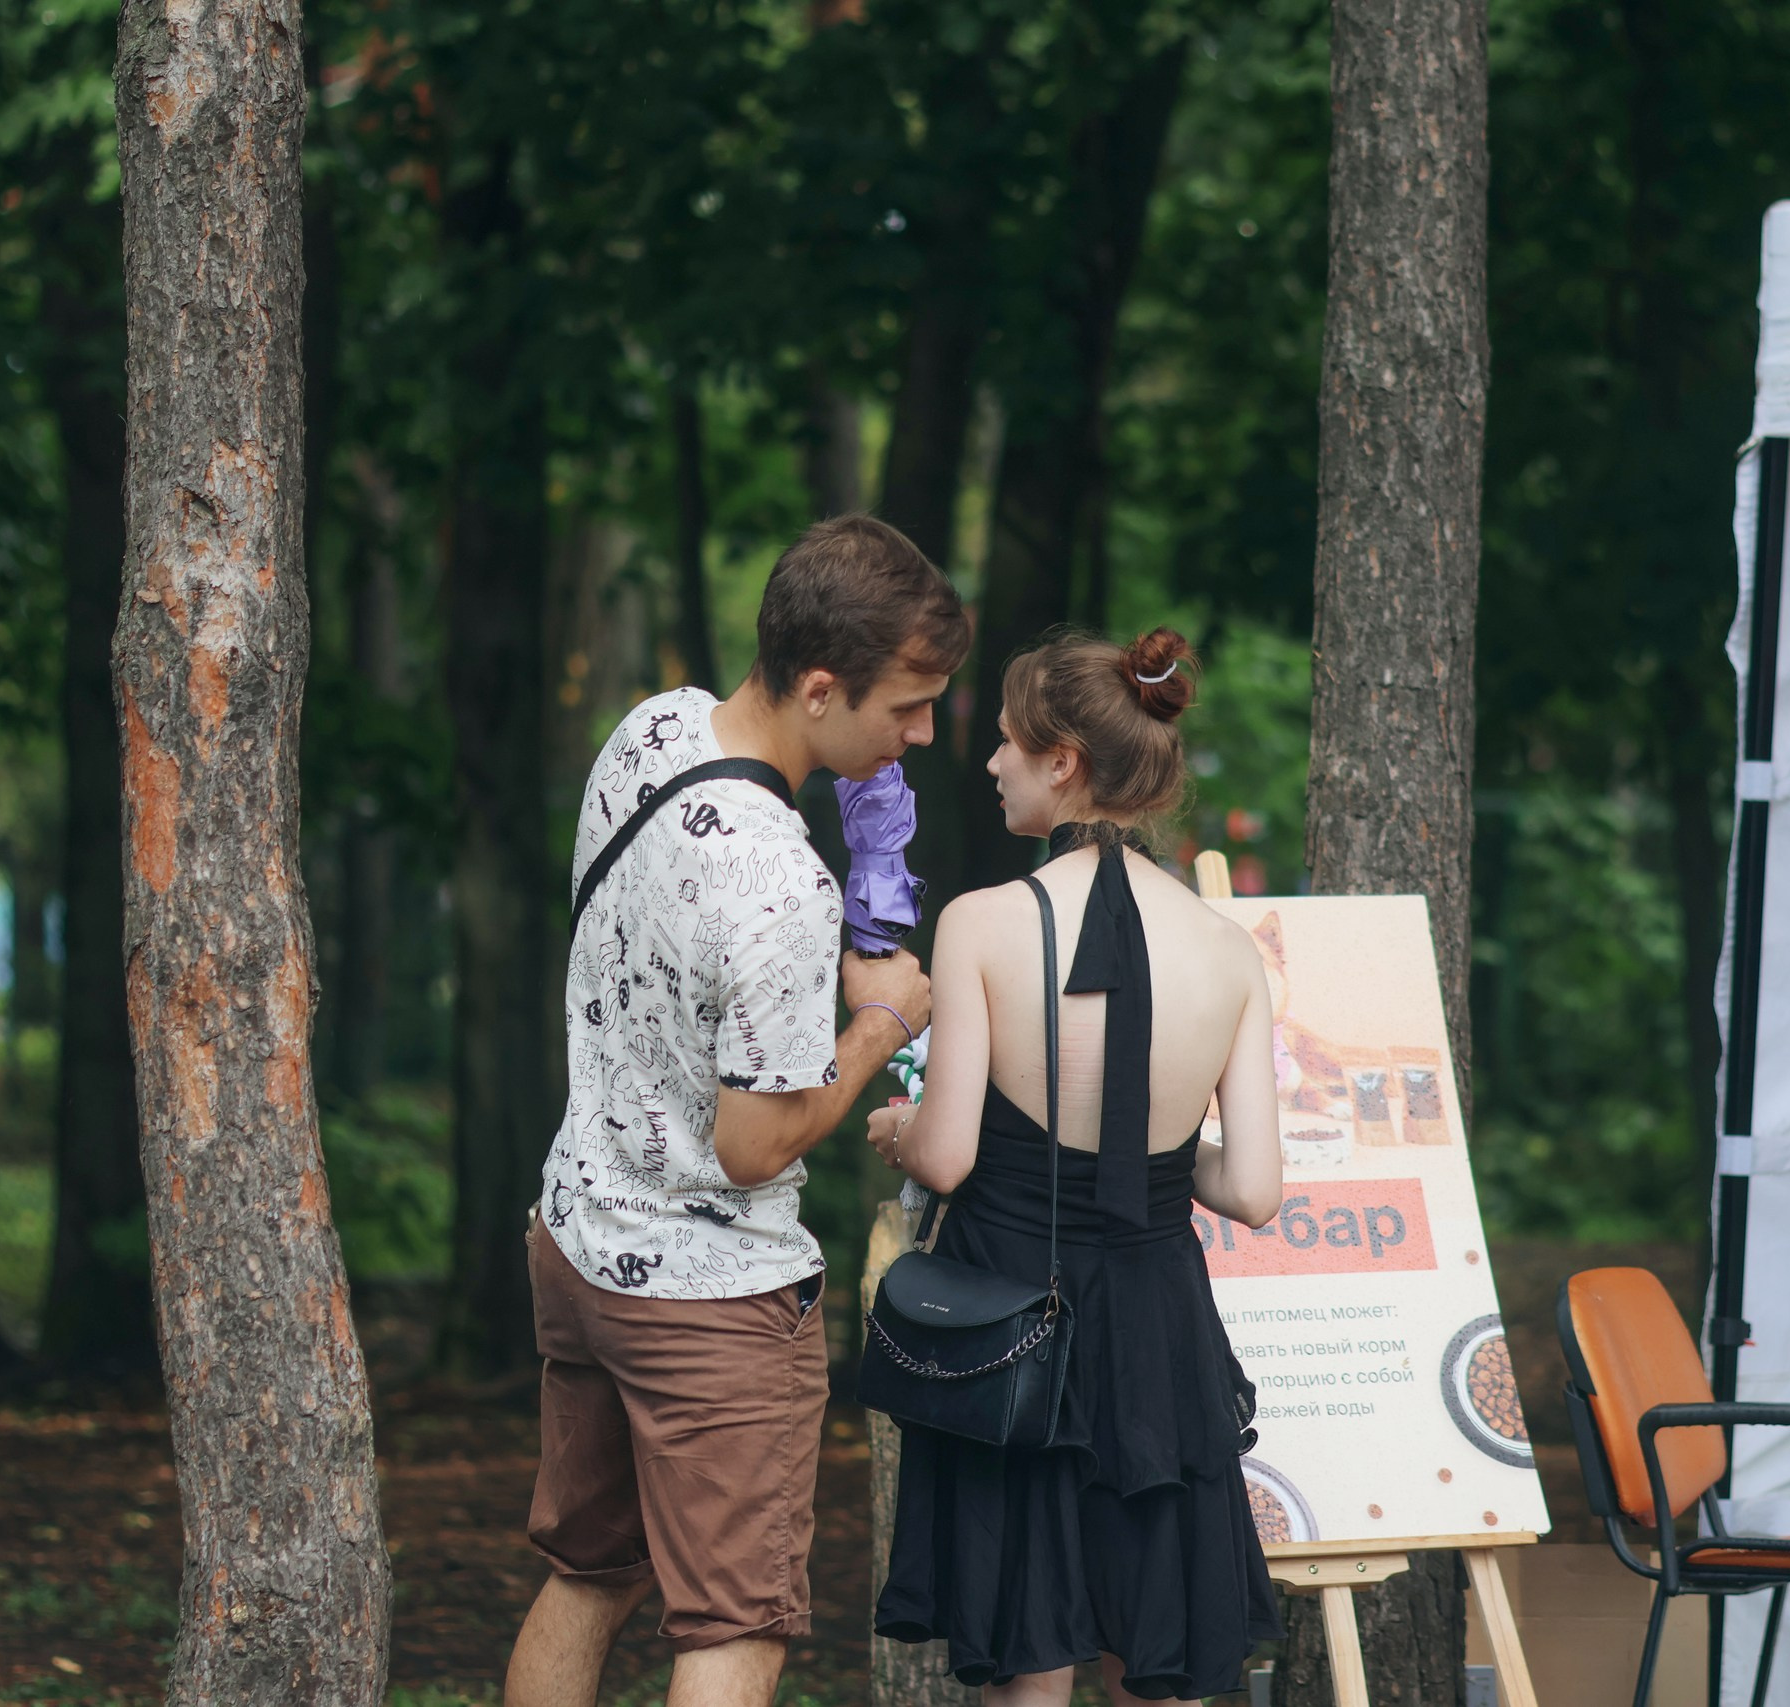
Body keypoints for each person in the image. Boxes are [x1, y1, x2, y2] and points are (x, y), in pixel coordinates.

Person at [506, 515, 969, 1707]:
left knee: (587, 1574)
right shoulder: (779, 884)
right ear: (821, 688)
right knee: (732, 1629)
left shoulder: (651, 728)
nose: (923, 734)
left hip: (575, 1235)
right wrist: (882, 1020)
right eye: (907, 707)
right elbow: (751, 1141)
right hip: (704, 1301)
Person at [866, 627, 1287, 1705]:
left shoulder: (981, 924)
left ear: (1062, 760)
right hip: (1158, 1327)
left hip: (1017, 1308)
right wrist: (1150, 1157)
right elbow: (1251, 1190)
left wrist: (897, 1130)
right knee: (1157, 1651)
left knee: (1030, 1652)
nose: (991, 762)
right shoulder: (1229, 949)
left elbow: (949, 1154)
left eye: (1007, 742)